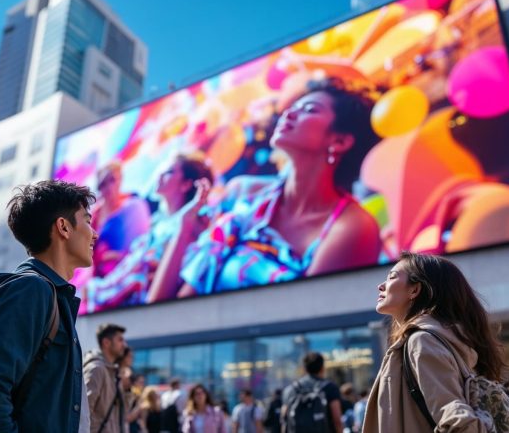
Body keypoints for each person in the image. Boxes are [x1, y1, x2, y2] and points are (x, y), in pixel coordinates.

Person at [148, 78, 381, 302]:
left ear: (339, 141)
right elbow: (173, 305)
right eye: (292, 107)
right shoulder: (246, 196)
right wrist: (184, 228)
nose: (288, 113)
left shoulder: (352, 227)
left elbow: (311, 325)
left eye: (309, 109)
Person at [0, 180, 95, 432]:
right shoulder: (31, 291)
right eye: (87, 220)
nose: (94, 233)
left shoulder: (50, 295)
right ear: (63, 227)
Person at [362, 251, 508, 432]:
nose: (381, 286)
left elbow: (456, 418)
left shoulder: (422, 341)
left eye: (392, 277)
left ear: (414, 290)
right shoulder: (446, 340)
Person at [84, 153, 213, 311]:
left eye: (169, 172)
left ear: (185, 185)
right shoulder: (159, 221)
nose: (160, 174)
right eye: (102, 184)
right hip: (105, 290)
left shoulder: (188, 226)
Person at [91, 162, 151, 276]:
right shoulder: (94, 215)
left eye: (112, 180)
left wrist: (118, 256)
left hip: (131, 269)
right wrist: (101, 258)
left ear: (120, 180)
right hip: (102, 275)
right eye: (103, 184)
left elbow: (142, 243)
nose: (109, 187)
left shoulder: (134, 206)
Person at [282, 352, 343, 433]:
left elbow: (284, 419)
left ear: (304, 369)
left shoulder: (290, 390)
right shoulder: (329, 387)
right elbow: (337, 420)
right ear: (322, 368)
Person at [84, 323, 128, 433]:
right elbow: (83, 412)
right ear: (106, 342)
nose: (124, 345)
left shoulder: (113, 372)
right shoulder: (96, 369)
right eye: (120, 340)